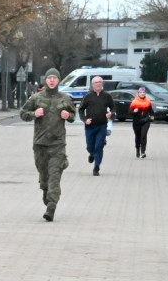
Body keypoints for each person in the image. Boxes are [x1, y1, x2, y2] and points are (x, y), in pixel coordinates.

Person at [20, 68, 76, 222]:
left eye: (55, 78)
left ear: (58, 80)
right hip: (40, 145)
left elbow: (73, 115)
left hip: (57, 145)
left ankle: (51, 206)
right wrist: (34, 114)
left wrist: (68, 116)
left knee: (54, 177)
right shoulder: (36, 98)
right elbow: (23, 113)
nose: (52, 80)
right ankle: (45, 190)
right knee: (44, 177)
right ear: (45, 80)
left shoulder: (65, 98)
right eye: (49, 77)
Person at [78, 76, 114, 176]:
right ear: (92, 85)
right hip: (90, 126)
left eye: (100, 82)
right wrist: (85, 120)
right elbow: (80, 109)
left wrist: (110, 114)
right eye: (96, 82)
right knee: (90, 146)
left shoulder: (107, 96)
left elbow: (113, 108)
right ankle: (91, 153)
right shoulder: (88, 96)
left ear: (102, 84)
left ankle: (96, 167)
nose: (98, 84)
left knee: (99, 146)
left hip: (102, 125)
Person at [130, 87, 153, 159]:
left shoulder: (148, 101)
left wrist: (152, 116)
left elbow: (151, 110)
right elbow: (129, 112)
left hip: (146, 121)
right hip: (136, 122)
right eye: (141, 92)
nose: (142, 93)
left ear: (145, 93)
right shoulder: (134, 102)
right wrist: (134, 111)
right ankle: (137, 149)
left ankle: (143, 152)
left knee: (143, 136)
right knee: (138, 136)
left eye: (143, 92)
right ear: (138, 93)